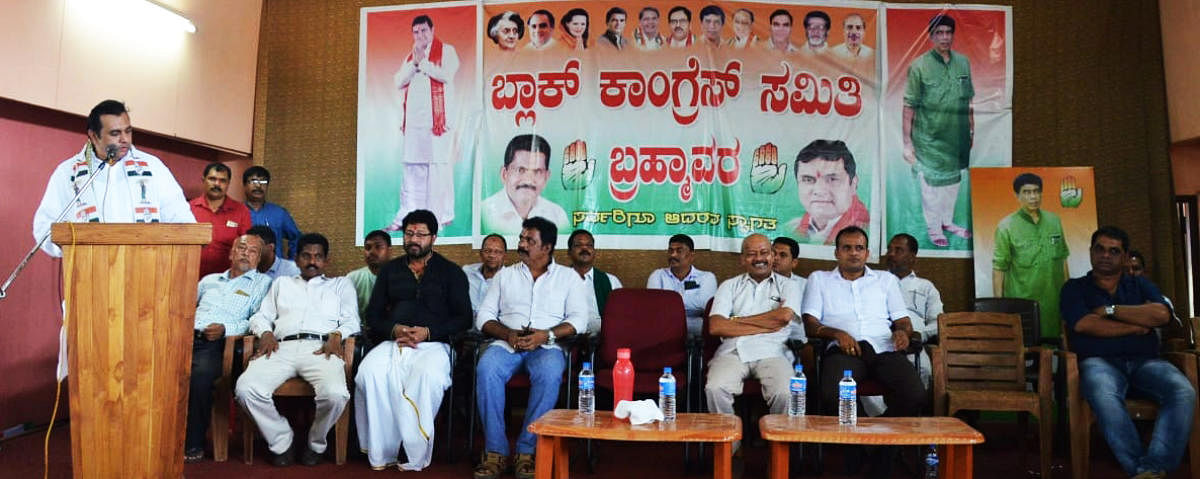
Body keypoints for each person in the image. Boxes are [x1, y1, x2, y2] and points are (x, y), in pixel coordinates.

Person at [1061, 226, 1195, 479]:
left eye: (1114, 251)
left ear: (1124, 257)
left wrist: (1109, 310)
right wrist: (1136, 324)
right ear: (1090, 252)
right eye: (1099, 249)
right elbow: (1084, 324)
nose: (1105, 255)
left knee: (1182, 389)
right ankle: (1142, 470)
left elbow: (1161, 315)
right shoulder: (1074, 288)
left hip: (1146, 362)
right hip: (1099, 363)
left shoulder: (1141, 285)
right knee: (1102, 391)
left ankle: (1152, 467)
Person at [803, 226, 925, 476]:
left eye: (859, 248)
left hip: (884, 346)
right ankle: (859, 450)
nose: (853, 253)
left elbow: (902, 320)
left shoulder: (886, 280)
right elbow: (810, 324)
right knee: (833, 393)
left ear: (867, 253)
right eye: (847, 248)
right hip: (844, 349)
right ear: (836, 253)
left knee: (914, 394)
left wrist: (902, 332)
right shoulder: (819, 279)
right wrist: (836, 333)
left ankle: (880, 447)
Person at [473, 217, 589, 479]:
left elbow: (579, 320)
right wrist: (508, 333)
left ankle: (527, 451)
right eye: (522, 238)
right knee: (486, 368)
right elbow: (484, 316)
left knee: (549, 375)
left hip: (547, 346)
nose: (522, 244)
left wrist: (545, 335)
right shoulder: (505, 275)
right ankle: (495, 452)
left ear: (546, 247)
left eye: (529, 240)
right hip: (507, 343)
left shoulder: (568, 278)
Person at [356, 210, 471, 471]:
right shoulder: (390, 272)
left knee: (426, 377)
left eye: (420, 234)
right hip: (394, 342)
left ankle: (413, 449)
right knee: (368, 373)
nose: (413, 239)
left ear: (433, 238)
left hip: (435, 344)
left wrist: (428, 333)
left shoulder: (451, 273)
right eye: (409, 233)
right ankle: (383, 450)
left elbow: (464, 318)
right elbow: (373, 315)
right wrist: (395, 329)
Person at [235, 233, 360, 467]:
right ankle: (282, 439)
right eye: (306, 256)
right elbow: (261, 316)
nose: (312, 261)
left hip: (321, 348)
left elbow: (352, 320)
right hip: (281, 346)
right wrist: (266, 333)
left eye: (318, 257)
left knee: (336, 394)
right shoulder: (282, 283)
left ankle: (316, 442)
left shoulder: (340, 285)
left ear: (326, 260)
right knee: (245, 389)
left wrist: (337, 335)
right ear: (296, 258)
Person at [33, 99, 194, 259]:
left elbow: (183, 221)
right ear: (94, 136)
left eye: (128, 131)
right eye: (115, 133)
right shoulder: (68, 173)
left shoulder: (153, 168)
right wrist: (72, 247)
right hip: (88, 273)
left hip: (146, 272)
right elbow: (44, 227)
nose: (124, 139)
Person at [184, 234, 272, 463]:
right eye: (241, 247)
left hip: (219, 343)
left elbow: (256, 320)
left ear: (258, 259)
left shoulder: (262, 284)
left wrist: (225, 329)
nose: (245, 253)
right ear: (231, 252)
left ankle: (193, 443)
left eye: (252, 251)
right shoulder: (209, 280)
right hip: (184, 338)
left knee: (200, 377)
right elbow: (185, 306)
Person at [706, 235, 804, 431]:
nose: (758, 258)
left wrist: (735, 321)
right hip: (733, 351)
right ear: (742, 259)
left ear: (773, 256)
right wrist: (768, 322)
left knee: (787, 392)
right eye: (751, 254)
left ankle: (778, 451)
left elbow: (783, 317)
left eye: (764, 253)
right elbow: (716, 326)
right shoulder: (729, 286)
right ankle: (729, 448)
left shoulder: (789, 286)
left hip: (773, 352)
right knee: (715, 388)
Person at [903, 14, 975, 247]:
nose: (944, 37)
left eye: (948, 32)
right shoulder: (919, 66)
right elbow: (909, 105)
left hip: (957, 138)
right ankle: (934, 228)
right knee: (932, 187)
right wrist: (907, 142)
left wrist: (971, 130)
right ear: (931, 36)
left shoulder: (963, 62)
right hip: (929, 140)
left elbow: (969, 100)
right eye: (939, 33)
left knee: (953, 183)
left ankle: (947, 221)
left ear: (953, 35)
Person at [385, 14, 458, 232]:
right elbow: (399, 81)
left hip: (438, 127)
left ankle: (438, 217)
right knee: (412, 170)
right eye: (416, 32)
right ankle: (407, 216)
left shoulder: (447, 51)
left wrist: (422, 63)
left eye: (424, 31)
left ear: (432, 30)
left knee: (437, 170)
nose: (420, 35)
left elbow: (446, 75)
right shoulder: (410, 56)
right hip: (414, 127)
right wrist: (414, 63)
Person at [993, 172, 1069, 340]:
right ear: (1017, 195)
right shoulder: (1006, 226)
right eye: (1027, 192)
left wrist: (1068, 297)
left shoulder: (1054, 221)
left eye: (1036, 191)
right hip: (1022, 304)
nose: (1033, 196)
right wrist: (999, 307)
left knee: (1053, 350)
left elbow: (1062, 259)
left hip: (1053, 304)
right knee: (1022, 350)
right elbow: (999, 268)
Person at [883, 233, 943, 387]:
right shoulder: (876, 281)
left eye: (898, 250)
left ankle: (911, 411)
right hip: (882, 340)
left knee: (923, 369)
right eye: (889, 249)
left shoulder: (926, 286)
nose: (890, 254)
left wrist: (919, 334)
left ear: (912, 257)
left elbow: (938, 322)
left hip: (914, 343)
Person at [480, 134, 568, 234]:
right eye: (520, 170)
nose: (528, 180)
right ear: (504, 174)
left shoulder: (558, 216)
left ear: (546, 177)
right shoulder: (483, 213)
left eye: (537, 171)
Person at [787, 139, 870, 244]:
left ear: (853, 184)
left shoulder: (867, 230)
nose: (819, 191)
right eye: (808, 180)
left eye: (832, 179)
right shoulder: (791, 229)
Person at [646, 234, 718, 337]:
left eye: (679, 251)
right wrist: (689, 301)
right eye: (671, 251)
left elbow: (705, 305)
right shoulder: (658, 275)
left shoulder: (706, 277)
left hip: (696, 327)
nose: (673, 255)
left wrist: (670, 303)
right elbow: (654, 306)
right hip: (663, 326)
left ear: (692, 255)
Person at [190, 163, 252, 278]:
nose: (217, 184)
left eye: (222, 181)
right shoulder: (189, 209)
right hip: (191, 277)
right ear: (203, 180)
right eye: (212, 179)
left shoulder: (241, 211)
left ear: (228, 183)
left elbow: (246, 247)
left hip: (225, 282)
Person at [566, 229, 623, 333]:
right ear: (569, 252)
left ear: (594, 251)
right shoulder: (559, 281)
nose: (585, 248)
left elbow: (621, 315)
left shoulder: (611, 281)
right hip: (566, 339)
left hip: (602, 339)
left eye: (589, 245)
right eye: (578, 245)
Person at [243, 166, 301, 259]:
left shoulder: (279, 213)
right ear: (245, 185)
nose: (258, 186)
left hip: (274, 270)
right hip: (245, 268)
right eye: (253, 181)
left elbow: (297, 238)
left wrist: (290, 263)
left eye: (263, 182)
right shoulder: (236, 213)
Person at [346, 229, 392, 327]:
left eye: (378, 247)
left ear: (389, 250)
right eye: (368, 248)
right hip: (361, 334)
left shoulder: (401, 277)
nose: (371, 252)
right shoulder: (352, 278)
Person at [773, 236, 808, 340]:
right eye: (773, 253)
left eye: (782, 255)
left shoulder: (806, 286)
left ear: (794, 263)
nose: (776, 258)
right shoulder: (759, 283)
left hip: (797, 340)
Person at [465, 234, 508, 318]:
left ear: (505, 255)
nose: (492, 255)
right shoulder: (467, 272)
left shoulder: (510, 280)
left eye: (498, 252)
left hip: (493, 328)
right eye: (487, 251)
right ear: (480, 253)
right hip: (464, 328)